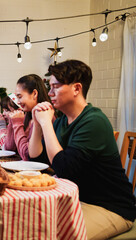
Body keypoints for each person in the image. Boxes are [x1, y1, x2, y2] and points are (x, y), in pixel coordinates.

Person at [28, 60, 136, 239]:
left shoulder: (94, 121)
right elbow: (37, 163)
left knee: (56, 236)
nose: (49, 93)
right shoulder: (63, 121)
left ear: (77, 88)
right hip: (78, 200)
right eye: (50, 87)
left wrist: (46, 122)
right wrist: (37, 126)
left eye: (55, 87)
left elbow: (64, 168)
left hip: (111, 207)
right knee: (33, 226)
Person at [2, 74, 51, 160]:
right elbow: (8, 149)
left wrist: (17, 123)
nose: (18, 102)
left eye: (20, 97)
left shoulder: (44, 116)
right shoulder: (27, 116)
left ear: (34, 94)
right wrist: (12, 121)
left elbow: (26, 155)